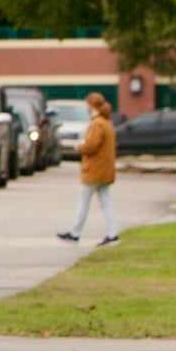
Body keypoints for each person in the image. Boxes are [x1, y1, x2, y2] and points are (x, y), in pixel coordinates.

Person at [58, 91, 119, 246]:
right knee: (106, 202)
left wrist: (79, 147)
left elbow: (91, 145)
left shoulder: (97, 124)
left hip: (94, 169)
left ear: (92, 106)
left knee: (83, 201)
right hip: (105, 169)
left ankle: (75, 232)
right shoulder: (107, 123)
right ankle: (112, 233)